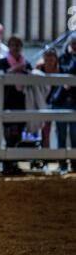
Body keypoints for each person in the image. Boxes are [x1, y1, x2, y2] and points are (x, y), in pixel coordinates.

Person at [0, 35, 32, 175]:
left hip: (22, 103)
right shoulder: (3, 62)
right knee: (9, 135)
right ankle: (7, 165)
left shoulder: (26, 63)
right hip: (7, 101)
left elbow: (32, 76)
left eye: (18, 45)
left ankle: (14, 163)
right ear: (9, 46)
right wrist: (15, 69)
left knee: (18, 136)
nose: (15, 48)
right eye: (13, 45)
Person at [52, 33, 76, 174]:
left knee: (74, 135)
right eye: (73, 44)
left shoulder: (68, 58)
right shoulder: (61, 58)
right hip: (61, 99)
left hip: (74, 100)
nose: (74, 47)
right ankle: (62, 164)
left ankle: (73, 163)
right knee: (60, 133)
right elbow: (66, 71)